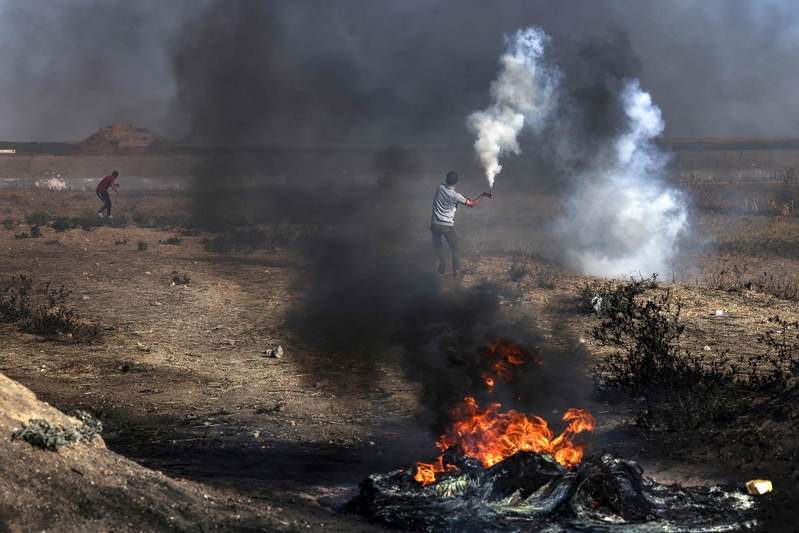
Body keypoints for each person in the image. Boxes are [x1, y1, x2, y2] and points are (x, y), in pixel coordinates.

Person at [430, 171, 491, 276]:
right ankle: (456, 271)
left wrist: (463, 197)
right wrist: (483, 195)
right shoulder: (456, 196)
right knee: (454, 248)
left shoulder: (440, 187)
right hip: (447, 225)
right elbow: (471, 204)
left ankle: (442, 262)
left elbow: (451, 196)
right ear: (457, 181)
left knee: (438, 245)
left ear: (446, 180)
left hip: (435, 223)